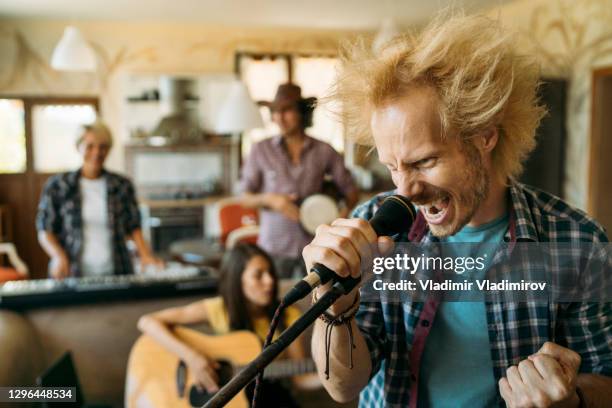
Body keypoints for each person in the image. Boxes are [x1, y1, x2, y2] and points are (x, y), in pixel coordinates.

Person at [303, 14, 612, 408]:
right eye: (392, 166)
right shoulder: (377, 228)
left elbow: (607, 377)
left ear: (485, 136)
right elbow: (342, 388)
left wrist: (573, 397)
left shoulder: (578, 241)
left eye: (424, 161)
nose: (405, 190)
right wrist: (335, 304)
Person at [137, 243, 318, 405]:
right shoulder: (218, 308)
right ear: (237, 280)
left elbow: (300, 379)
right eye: (258, 275)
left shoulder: (288, 316)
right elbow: (147, 321)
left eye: (270, 272)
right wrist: (192, 358)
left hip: (269, 395)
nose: (269, 281)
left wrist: (333, 379)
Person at [240, 83, 359, 278]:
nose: (279, 118)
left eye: (286, 111)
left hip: (317, 247)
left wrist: (339, 218)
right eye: (275, 112)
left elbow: (350, 190)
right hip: (274, 248)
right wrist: (271, 200)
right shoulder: (260, 150)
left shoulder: (324, 150)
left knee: (315, 301)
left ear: (302, 113)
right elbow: (244, 197)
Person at [36, 121, 162, 278]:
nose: (97, 152)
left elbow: (134, 226)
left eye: (103, 147)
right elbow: (45, 230)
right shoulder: (58, 185)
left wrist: (145, 255)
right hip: (72, 271)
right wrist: (58, 256)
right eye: (90, 146)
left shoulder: (122, 185)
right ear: (78, 147)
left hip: (118, 269)